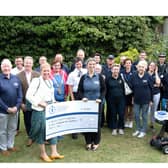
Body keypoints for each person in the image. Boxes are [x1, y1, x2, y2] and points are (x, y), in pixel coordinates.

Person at [26, 63, 64, 162]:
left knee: (53, 128)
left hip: (50, 109)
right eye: (44, 71)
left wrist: (54, 101)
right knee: (41, 130)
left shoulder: (50, 81)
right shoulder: (36, 81)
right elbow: (28, 96)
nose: (46, 72)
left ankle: (54, 152)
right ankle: (43, 154)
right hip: (39, 110)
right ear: (40, 71)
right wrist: (39, 103)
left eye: (48, 70)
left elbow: (51, 95)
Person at [77, 58, 106, 151]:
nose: (92, 66)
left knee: (96, 123)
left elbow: (104, 90)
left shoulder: (99, 77)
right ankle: (88, 142)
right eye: (90, 64)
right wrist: (82, 97)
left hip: (97, 104)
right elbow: (79, 90)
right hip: (86, 104)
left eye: (93, 64)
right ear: (87, 66)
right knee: (87, 123)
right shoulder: (83, 77)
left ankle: (96, 142)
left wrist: (100, 98)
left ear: (95, 65)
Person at [0, 59, 23, 156]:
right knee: (2, 130)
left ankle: (10, 145)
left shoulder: (16, 78)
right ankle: (3, 147)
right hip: (2, 111)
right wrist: (6, 108)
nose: (6, 68)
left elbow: (20, 95)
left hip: (14, 110)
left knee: (12, 128)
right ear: (1, 67)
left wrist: (16, 107)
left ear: (10, 67)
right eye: (4, 66)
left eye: (8, 66)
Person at [17, 56, 40, 146]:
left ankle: (37, 136)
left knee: (37, 120)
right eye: (26, 62)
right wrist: (21, 104)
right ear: (23, 63)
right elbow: (17, 91)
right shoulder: (18, 76)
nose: (28, 64)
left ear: (32, 64)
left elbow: (40, 89)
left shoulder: (37, 74)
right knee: (27, 121)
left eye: (29, 63)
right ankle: (30, 137)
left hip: (36, 102)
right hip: (25, 103)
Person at [129, 60, 153, 138]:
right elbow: (132, 88)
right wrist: (132, 97)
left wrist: (151, 100)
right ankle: (138, 129)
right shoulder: (134, 75)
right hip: (136, 99)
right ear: (137, 67)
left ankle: (143, 131)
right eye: (139, 67)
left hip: (146, 100)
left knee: (144, 115)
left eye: (142, 67)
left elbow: (151, 88)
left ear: (145, 68)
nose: (141, 68)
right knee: (136, 115)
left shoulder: (148, 76)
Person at [66, 57, 87, 139]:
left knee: (83, 112)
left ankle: (83, 130)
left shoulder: (85, 72)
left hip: (83, 93)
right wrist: (72, 97)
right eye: (77, 64)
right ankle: (74, 132)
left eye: (80, 63)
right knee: (74, 113)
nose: (79, 65)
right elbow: (70, 87)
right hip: (74, 94)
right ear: (75, 65)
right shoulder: (71, 74)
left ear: (82, 64)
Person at [106, 64, 125, 135]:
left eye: (117, 69)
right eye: (114, 69)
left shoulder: (122, 78)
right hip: (111, 99)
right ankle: (114, 128)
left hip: (121, 99)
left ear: (119, 70)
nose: (116, 71)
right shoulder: (108, 79)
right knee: (113, 114)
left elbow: (125, 89)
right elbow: (106, 90)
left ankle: (120, 128)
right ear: (112, 70)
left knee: (121, 113)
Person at [11, 56, 24, 135]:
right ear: (15, 62)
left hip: (25, 93)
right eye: (17, 61)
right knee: (17, 113)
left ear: (22, 62)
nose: (18, 62)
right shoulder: (12, 71)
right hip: (16, 94)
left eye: (20, 61)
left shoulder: (25, 69)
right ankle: (16, 129)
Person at [102, 54, 115, 128]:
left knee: (110, 106)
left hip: (111, 90)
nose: (110, 60)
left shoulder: (115, 68)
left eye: (112, 59)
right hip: (104, 89)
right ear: (107, 60)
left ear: (113, 60)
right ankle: (102, 121)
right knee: (102, 105)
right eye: (109, 59)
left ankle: (109, 121)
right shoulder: (103, 67)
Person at [148, 62, 161, 130]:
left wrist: (156, 72)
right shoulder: (146, 73)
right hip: (147, 95)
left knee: (154, 110)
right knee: (147, 110)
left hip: (156, 94)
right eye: (151, 65)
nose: (152, 67)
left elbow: (158, 83)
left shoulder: (156, 74)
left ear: (155, 67)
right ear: (148, 66)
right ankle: (145, 124)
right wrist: (154, 85)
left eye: (154, 66)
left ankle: (152, 124)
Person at [121, 58, 134, 128]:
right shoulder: (121, 72)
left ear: (131, 64)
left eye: (129, 63)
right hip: (124, 94)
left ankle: (131, 121)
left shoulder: (134, 72)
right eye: (127, 63)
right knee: (125, 108)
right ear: (124, 64)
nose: (128, 64)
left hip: (132, 94)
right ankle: (125, 120)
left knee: (131, 108)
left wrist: (134, 95)